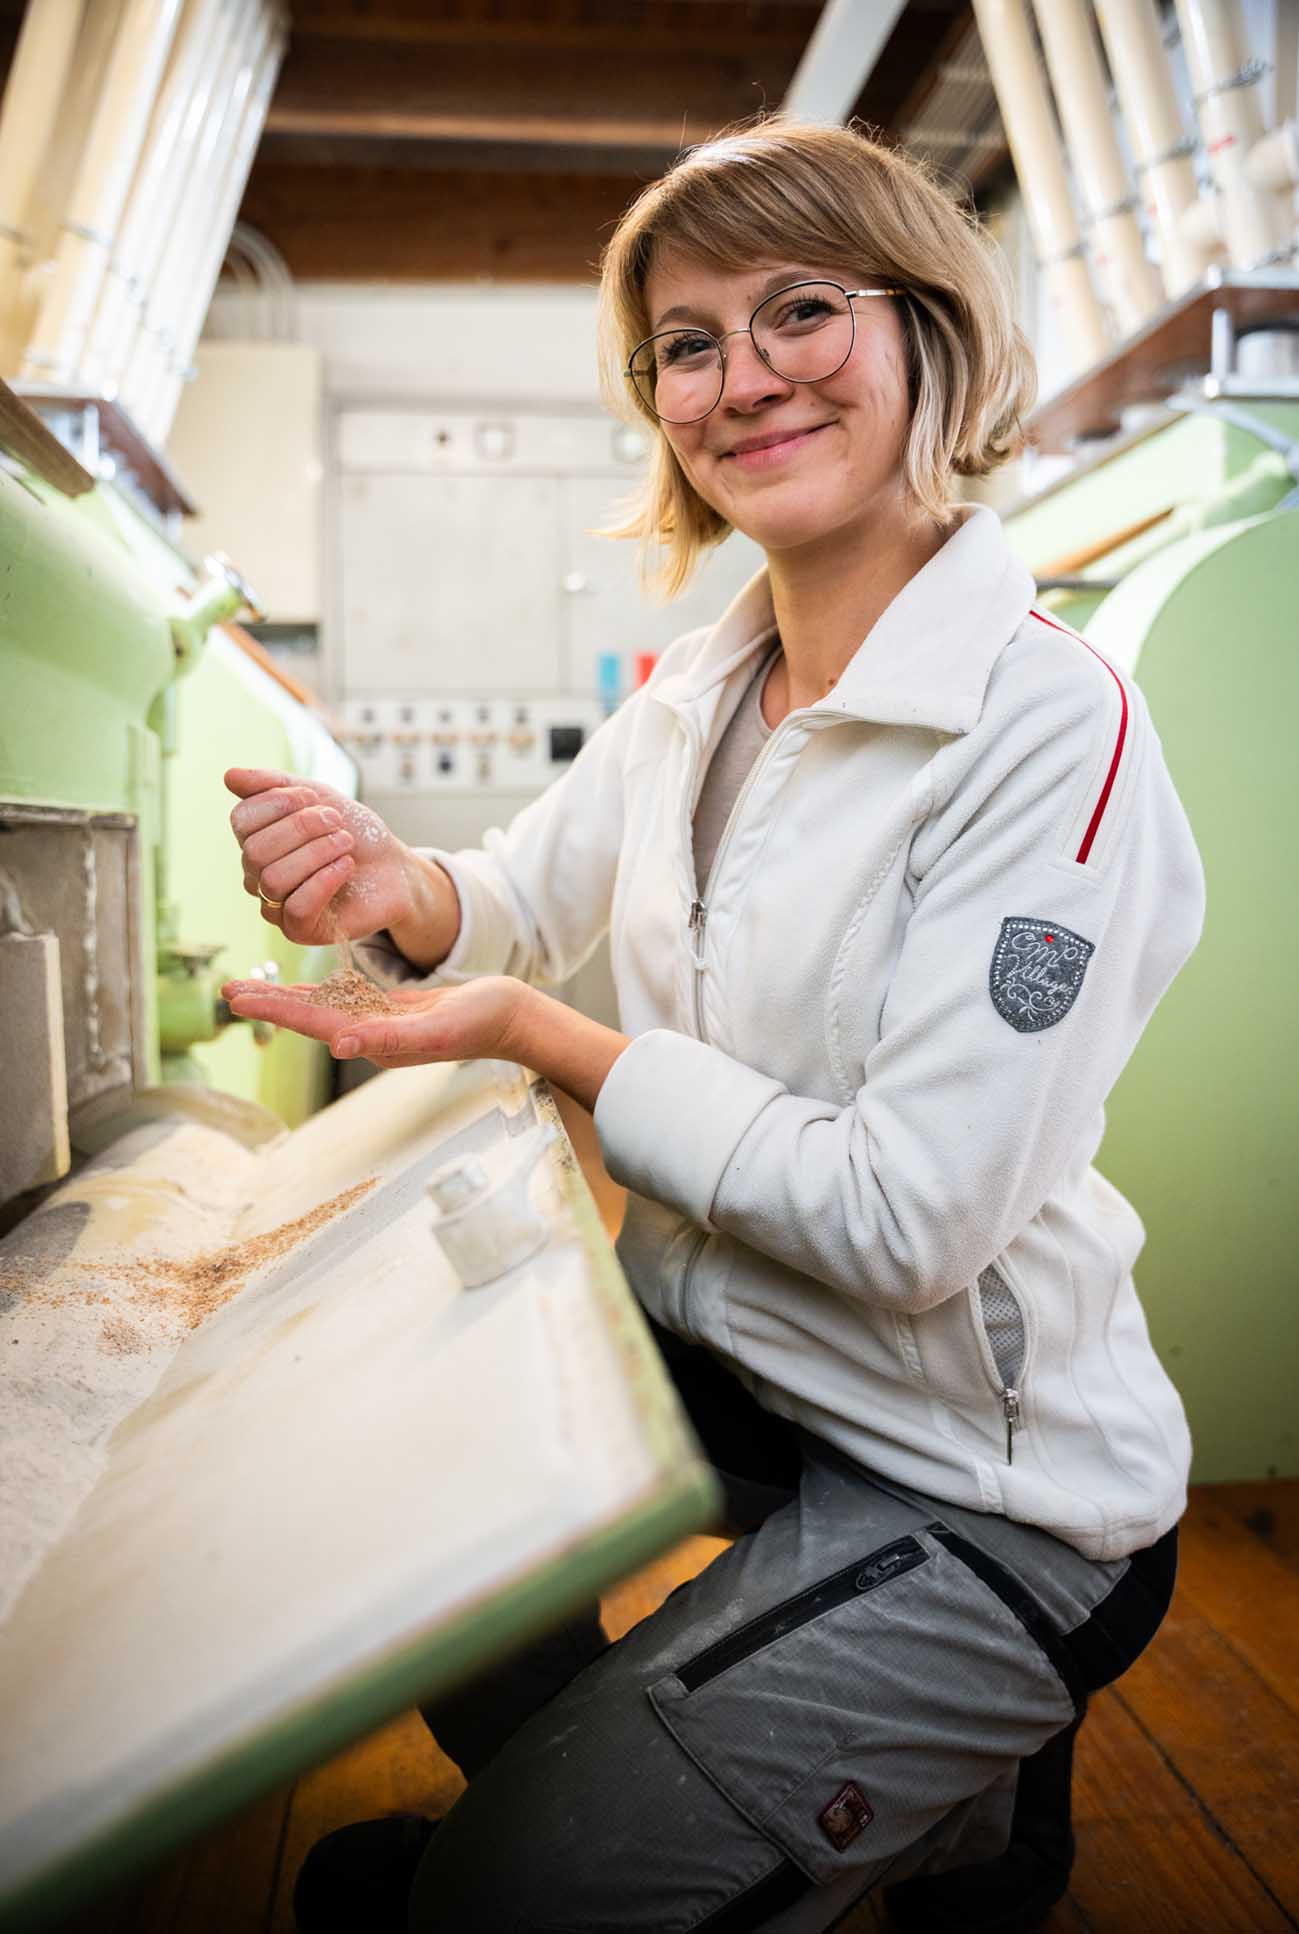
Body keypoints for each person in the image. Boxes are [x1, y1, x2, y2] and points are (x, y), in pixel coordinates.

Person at [224, 116, 1203, 1934]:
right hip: (749, 1359)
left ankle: (893, 1754)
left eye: (801, 311)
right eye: (688, 342)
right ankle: (691, 1786)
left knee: (500, 1904)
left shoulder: (1049, 725)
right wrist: (391, 885)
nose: (743, 377)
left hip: (986, 1465)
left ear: (926, 328)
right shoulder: (703, 683)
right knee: (404, 1502)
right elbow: (510, 896)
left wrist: (545, 1037)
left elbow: (909, 1221)